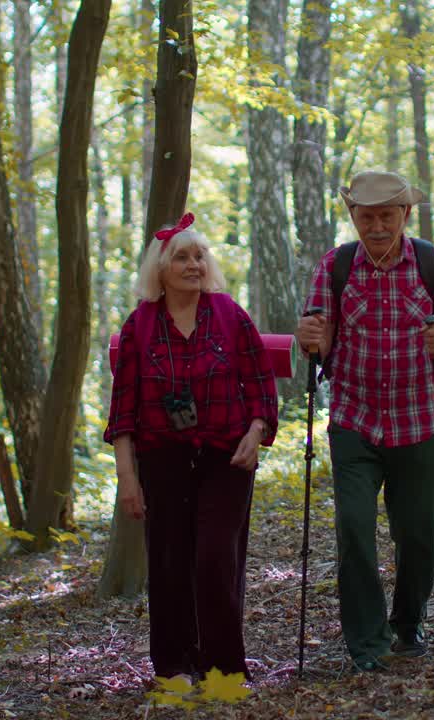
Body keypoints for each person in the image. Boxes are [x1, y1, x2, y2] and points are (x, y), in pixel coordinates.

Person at [294, 171, 434, 672]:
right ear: (352, 216)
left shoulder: (431, 263)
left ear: (405, 215)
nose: (376, 226)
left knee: (420, 533)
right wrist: (309, 335)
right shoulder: (335, 266)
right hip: (353, 420)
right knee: (354, 530)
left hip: (419, 421)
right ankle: (367, 643)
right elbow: (321, 343)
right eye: (366, 216)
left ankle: (408, 622)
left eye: (386, 215)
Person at [104, 212, 278, 683]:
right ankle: (174, 669)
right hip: (163, 460)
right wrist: (127, 478)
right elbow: (122, 413)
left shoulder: (230, 315)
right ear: (159, 270)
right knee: (168, 563)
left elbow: (261, 385)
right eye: (181, 257)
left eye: (199, 255)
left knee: (216, 558)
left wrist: (256, 431)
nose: (193, 264)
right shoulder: (140, 326)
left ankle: (224, 671)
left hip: (227, 457)